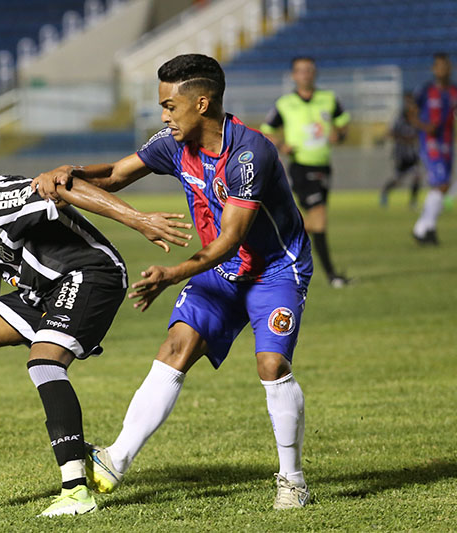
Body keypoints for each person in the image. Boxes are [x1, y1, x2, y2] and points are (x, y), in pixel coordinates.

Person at [32, 54, 314, 509]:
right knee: (175, 348)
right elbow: (118, 175)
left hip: (274, 269)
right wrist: (71, 172)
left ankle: (293, 479)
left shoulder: (249, 154)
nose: (163, 115)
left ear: (202, 103)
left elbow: (232, 238)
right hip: (220, 273)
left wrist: (171, 274)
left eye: (169, 106)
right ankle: (115, 460)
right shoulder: (172, 142)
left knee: (271, 367)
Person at [0, 168, 191, 517]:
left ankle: (76, 492)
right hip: (42, 290)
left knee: (45, 362)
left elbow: (64, 188)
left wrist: (139, 220)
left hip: (91, 274)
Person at [261, 56, 350, 288]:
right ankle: (332, 275)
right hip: (301, 166)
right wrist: (281, 145)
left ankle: (275, 235)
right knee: (319, 218)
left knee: (316, 221)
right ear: (293, 75)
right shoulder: (285, 103)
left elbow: (343, 123)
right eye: (300, 71)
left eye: (309, 70)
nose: (305, 74)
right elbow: (267, 130)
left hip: (323, 165)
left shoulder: (329, 99)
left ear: (315, 73)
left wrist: (339, 134)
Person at [409, 53, 457, 245]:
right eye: (439, 66)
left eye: (446, 66)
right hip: (430, 142)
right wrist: (426, 127)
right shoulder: (425, 90)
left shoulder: (456, 91)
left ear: (450, 68)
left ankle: (429, 229)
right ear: (434, 69)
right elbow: (411, 115)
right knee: (442, 183)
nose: (443, 69)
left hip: (448, 143)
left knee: (443, 185)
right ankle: (420, 228)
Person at [379, 92, 423, 209]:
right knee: (398, 180)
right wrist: (404, 139)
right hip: (401, 155)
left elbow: (420, 134)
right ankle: (384, 192)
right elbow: (390, 133)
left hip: (413, 155)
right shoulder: (399, 119)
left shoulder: (418, 119)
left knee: (417, 176)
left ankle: (412, 202)